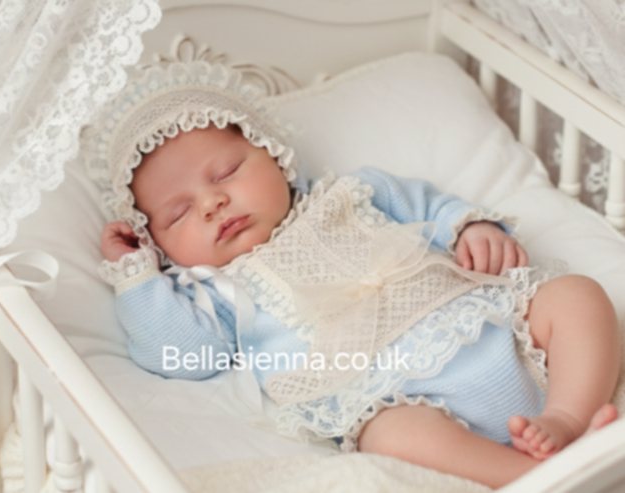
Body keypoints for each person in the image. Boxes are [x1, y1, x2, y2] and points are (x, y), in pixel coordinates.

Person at [86, 61, 620, 489]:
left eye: (226, 172)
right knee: (388, 437)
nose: (212, 203)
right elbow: (179, 355)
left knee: (574, 296)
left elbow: (431, 207)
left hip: (493, 328)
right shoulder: (219, 290)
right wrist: (137, 275)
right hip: (405, 399)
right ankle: (529, 478)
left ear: (274, 154)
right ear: (161, 243)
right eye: (178, 213)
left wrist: (472, 228)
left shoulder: (355, 192)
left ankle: (567, 418)